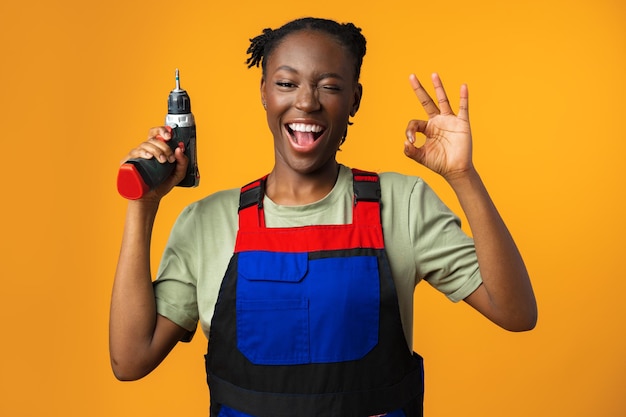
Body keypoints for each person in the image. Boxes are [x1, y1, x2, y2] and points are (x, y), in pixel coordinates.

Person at [109, 17, 537, 417]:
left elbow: (516, 312)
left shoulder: (403, 204)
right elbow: (129, 359)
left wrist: (463, 176)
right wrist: (142, 207)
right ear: (264, 92)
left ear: (354, 99)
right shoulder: (207, 222)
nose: (306, 101)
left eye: (329, 86)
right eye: (285, 83)